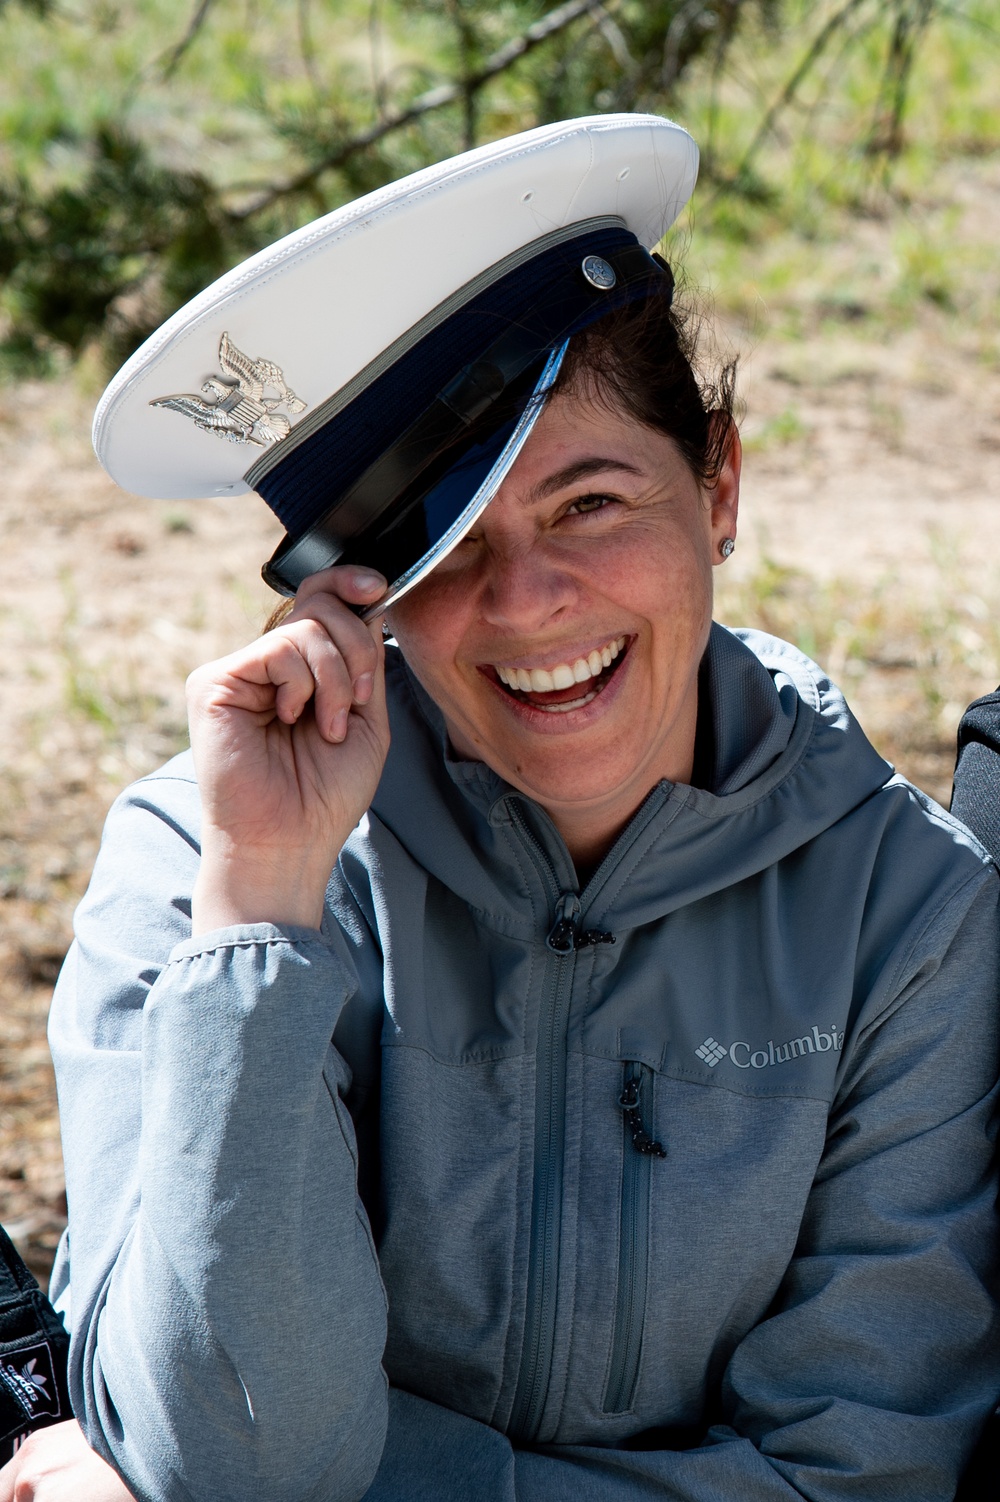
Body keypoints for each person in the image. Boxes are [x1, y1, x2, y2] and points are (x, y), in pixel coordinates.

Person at [3, 115, 998, 1502]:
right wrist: (264, 912)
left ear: (718, 481)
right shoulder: (197, 870)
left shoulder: (914, 914)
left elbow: (856, 1476)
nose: (526, 603)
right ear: (355, 591)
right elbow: (230, 1451)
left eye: (592, 503)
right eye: (446, 544)